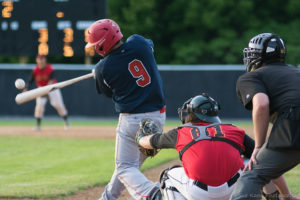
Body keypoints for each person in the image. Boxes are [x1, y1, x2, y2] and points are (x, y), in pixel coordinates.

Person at [136, 94, 296, 200]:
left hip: (198, 193)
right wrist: (286, 194)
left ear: (193, 114)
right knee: (255, 163)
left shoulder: (182, 132)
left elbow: (150, 141)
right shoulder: (233, 129)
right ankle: (275, 197)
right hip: (235, 191)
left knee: (167, 175)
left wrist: (140, 137)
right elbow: (264, 161)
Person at [85, 19, 166, 200]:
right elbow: (148, 47)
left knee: (124, 167)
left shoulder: (102, 68)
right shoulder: (138, 43)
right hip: (158, 116)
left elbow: (107, 92)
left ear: (101, 45)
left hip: (132, 120)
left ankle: (152, 193)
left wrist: (98, 72)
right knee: (128, 168)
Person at [231, 33, 300, 200]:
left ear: (258, 56)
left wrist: (258, 146)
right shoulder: (296, 72)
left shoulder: (252, 76)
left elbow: (261, 104)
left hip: (293, 124)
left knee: (253, 174)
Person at [24, 54, 69, 131]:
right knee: (39, 106)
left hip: (52, 88)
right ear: (37, 61)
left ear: (45, 60)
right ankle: (38, 125)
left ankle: (66, 122)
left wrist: (47, 88)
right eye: (39, 60)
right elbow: (30, 81)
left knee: (58, 105)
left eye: (42, 60)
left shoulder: (50, 68)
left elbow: (51, 79)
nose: (41, 62)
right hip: (41, 89)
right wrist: (26, 89)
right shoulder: (35, 70)